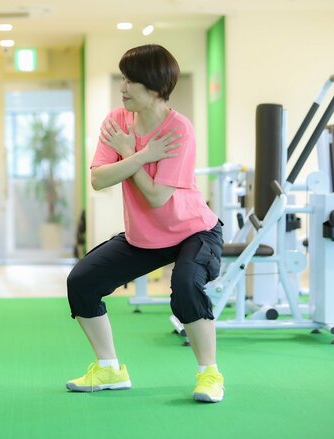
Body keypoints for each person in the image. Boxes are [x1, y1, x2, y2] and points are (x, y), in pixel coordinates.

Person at [65, 44, 225, 403]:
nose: (122, 87)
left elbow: (156, 196)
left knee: (186, 285)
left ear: (154, 87)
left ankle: (210, 374)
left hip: (194, 231)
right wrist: (141, 155)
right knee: (82, 282)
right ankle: (109, 369)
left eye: (130, 80)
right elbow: (99, 179)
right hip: (145, 236)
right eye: (123, 78)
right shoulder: (116, 121)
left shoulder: (179, 129)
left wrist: (127, 153)